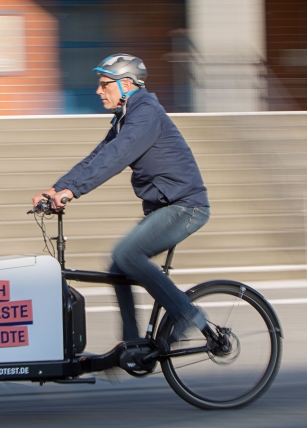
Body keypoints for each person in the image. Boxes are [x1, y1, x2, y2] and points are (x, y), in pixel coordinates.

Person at [32, 53, 211, 346]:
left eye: (105, 84)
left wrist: (74, 191)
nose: (98, 90)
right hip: (165, 208)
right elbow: (96, 157)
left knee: (127, 255)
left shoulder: (145, 115)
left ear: (126, 84)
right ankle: (131, 344)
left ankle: (187, 313)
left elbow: (115, 158)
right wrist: (56, 189)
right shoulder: (126, 117)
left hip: (185, 207)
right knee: (119, 265)